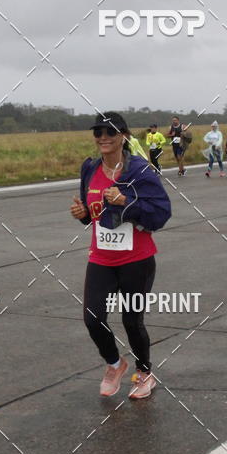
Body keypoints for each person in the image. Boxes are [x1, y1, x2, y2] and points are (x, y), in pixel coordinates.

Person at [70, 111, 171, 399]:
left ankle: (144, 372)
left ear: (123, 137)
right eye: (98, 133)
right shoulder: (89, 168)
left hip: (136, 260)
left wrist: (126, 201)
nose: (103, 138)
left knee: (131, 320)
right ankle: (115, 364)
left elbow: (161, 214)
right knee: (93, 318)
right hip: (101, 258)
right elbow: (94, 214)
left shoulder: (139, 171)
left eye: (110, 133)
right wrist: (82, 215)